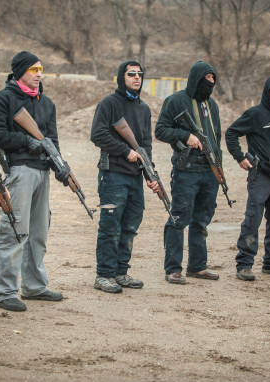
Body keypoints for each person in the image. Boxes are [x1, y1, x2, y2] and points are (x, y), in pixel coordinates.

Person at [0, 51, 65, 312]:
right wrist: (26, 141)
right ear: (20, 71)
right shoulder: (3, 99)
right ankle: (5, 291)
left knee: (38, 232)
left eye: (41, 69)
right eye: (34, 69)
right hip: (19, 170)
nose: (39, 73)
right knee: (13, 231)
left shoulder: (47, 103)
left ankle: (34, 286)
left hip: (42, 171)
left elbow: (52, 139)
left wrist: (60, 166)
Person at [90, 61, 159, 293]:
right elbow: (97, 134)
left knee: (130, 225)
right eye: (131, 74)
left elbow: (146, 144)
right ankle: (104, 275)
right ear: (122, 77)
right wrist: (125, 151)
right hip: (112, 175)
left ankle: (120, 272)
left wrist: (150, 172)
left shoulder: (144, 109)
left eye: (140, 74)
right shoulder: (109, 103)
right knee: (110, 226)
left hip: (135, 177)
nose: (137, 78)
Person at [155, 60, 222, 284]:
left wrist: (218, 168)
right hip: (186, 170)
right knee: (179, 218)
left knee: (202, 219)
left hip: (209, 171)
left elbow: (216, 137)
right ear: (197, 79)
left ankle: (198, 266)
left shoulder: (212, 105)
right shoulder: (176, 101)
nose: (211, 84)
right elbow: (161, 130)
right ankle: (173, 268)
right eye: (207, 79)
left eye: (213, 79)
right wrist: (186, 137)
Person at [225, 76, 270, 281]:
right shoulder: (255, 114)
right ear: (268, 93)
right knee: (253, 219)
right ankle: (244, 264)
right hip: (259, 176)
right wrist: (239, 157)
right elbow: (231, 133)